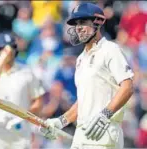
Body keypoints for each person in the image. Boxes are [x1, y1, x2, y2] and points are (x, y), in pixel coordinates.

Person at [40, 2, 134, 149]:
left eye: (83, 22)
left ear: (98, 22)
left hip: (104, 134)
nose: (78, 27)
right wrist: (61, 121)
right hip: (81, 136)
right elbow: (83, 101)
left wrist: (105, 114)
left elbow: (127, 87)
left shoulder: (110, 50)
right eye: (76, 24)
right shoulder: (80, 59)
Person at [0, 31, 45, 149]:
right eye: (3, 49)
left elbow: (39, 101)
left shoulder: (27, 72)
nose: (7, 52)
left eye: (11, 48)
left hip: (20, 133)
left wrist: (25, 115)